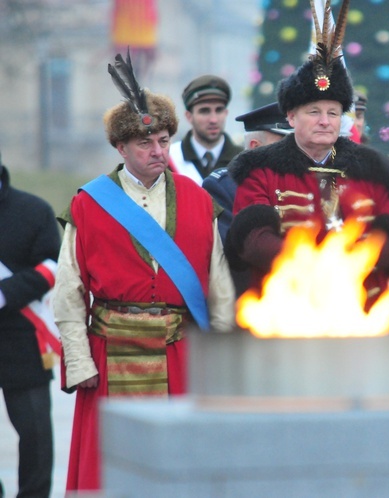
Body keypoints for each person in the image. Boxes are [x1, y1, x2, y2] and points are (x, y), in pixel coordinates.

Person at [52, 52, 235, 493]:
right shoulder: (88, 203)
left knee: (180, 470)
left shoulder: (198, 199)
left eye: (164, 141)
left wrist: (223, 363)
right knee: (112, 472)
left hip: (180, 356)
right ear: (120, 148)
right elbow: (69, 290)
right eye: (145, 145)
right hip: (110, 359)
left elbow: (220, 288)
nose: (158, 152)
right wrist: (78, 361)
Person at [225, 0, 389, 302]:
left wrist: (352, 264)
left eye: (333, 112)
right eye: (314, 111)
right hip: (287, 308)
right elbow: (253, 241)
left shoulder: (372, 167)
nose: (325, 122)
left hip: (363, 311)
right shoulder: (260, 167)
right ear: (290, 117)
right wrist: (317, 267)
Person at [0, 153, 60, 498]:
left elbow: (52, 265)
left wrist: (5, 293)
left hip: (24, 338)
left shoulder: (33, 210)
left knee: (36, 433)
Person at [203, 101, 292, 295]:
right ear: (255, 147)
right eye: (284, 145)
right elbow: (240, 254)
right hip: (252, 306)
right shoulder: (224, 187)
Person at [169, 74, 243, 183]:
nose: (213, 120)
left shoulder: (243, 160)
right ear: (189, 116)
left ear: (226, 113)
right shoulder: (170, 159)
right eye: (204, 111)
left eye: (219, 110)